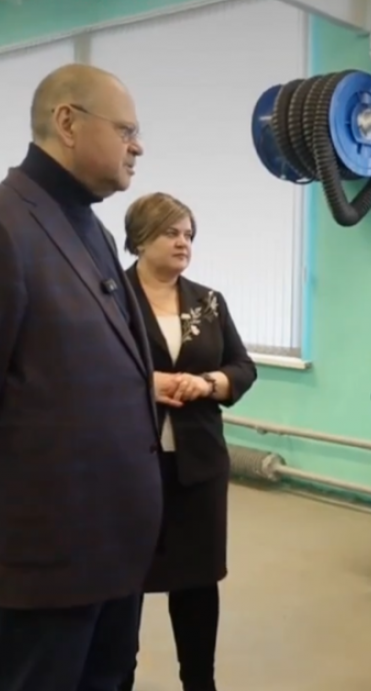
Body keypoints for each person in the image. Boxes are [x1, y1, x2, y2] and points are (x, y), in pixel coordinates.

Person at [0, 63, 175, 691]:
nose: (138, 146)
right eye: (126, 130)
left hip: (113, 545)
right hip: (46, 549)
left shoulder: (93, 229)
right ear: (68, 123)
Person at [119, 192, 258, 691]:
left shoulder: (208, 301)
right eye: (170, 233)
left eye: (188, 235)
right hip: (128, 468)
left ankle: (200, 682)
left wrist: (211, 383)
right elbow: (88, 370)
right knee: (124, 586)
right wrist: (147, 384)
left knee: (197, 583)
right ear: (140, 239)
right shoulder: (110, 297)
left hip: (198, 467)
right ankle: (117, 679)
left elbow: (243, 366)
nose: (183, 243)